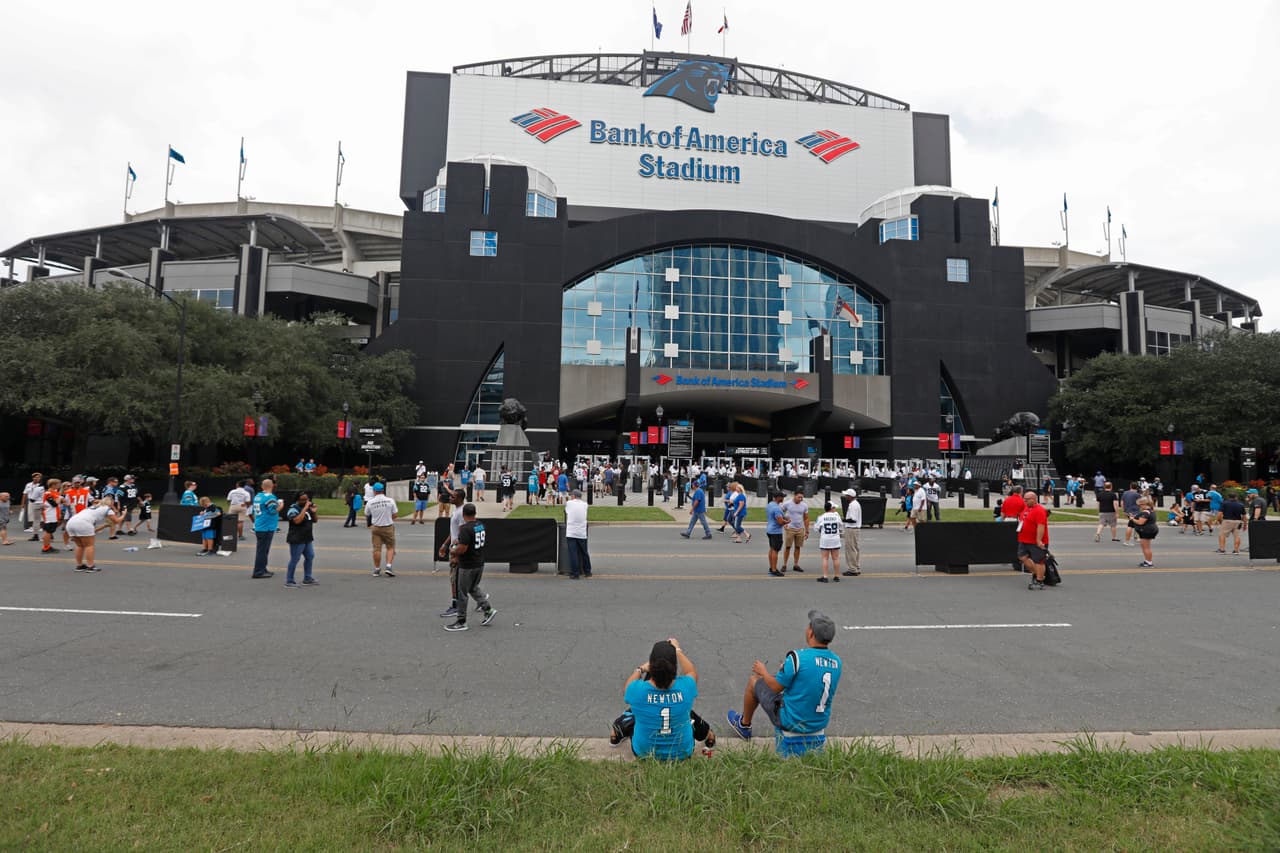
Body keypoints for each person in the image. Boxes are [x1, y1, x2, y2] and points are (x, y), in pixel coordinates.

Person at [726, 610, 842, 756]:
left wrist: (763, 672)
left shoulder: (797, 657)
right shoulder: (837, 662)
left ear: (811, 633)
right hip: (818, 723)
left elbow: (775, 687)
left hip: (791, 721)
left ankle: (744, 725)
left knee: (754, 681)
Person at [610, 639, 714, 760]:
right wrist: (678, 651)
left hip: (644, 753)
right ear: (674, 667)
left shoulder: (636, 690)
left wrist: (640, 669)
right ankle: (709, 736)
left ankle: (615, 734)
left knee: (633, 711)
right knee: (687, 714)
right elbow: (690, 671)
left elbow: (627, 688)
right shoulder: (686, 686)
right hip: (682, 754)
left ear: (651, 664)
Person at [444, 503, 497, 631]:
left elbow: (462, 549)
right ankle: (488, 609)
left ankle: (461, 621)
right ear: (475, 513)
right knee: (473, 588)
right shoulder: (480, 525)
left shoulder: (465, 529)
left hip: (467, 565)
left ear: (463, 514)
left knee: (462, 592)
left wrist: (452, 550)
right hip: (479, 562)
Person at [66, 496, 125, 573]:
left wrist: (104, 525)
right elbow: (117, 521)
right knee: (89, 545)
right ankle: (90, 566)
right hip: (83, 523)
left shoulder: (92, 507)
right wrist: (124, 514)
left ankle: (79, 565)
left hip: (71, 522)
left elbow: (94, 529)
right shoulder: (107, 509)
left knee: (79, 546)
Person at [437, 489, 468, 618]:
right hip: (452, 546)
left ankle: (455, 606)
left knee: (454, 578)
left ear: (460, 498)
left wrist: (455, 553)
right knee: (460, 579)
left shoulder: (461, 512)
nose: (450, 498)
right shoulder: (457, 510)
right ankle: (480, 599)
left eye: (453, 496)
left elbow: (461, 534)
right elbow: (453, 532)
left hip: (456, 549)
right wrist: (445, 544)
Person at [285, 492, 319, 588]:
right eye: (303, 500)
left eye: (307, 499)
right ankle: (289, 581)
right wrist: (304, 508)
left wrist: (314, 511)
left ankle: (307, 578)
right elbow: (296, 521)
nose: (305, 501)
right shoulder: (293, 509)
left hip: (307, 538)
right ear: (298, 500)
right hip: (297, 538)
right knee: (295, 559)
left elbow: (315, 520)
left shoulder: (308, 508)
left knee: (310, 556)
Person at [251, 479, 283, 579]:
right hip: (267, 527)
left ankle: (263, 569)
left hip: (260, 525)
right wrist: (281, 505)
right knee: (262, 551)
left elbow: (254, 510)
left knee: (263, 551)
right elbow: (273, 510)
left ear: (262, 486)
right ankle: (258, 572)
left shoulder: (258, 496)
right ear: (272, 486)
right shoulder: (270, 497)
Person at [365, 481, 398, 577]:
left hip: (376, 527)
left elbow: (367, 514)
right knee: (390, 547)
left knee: (377, 549)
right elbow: (395, 514)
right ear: (383, 490)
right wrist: (388, 518)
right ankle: (388, 566)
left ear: (374, 491)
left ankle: (377, 569)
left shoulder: (370, 502)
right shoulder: (390, 500)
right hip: (388, 526)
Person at [1018, 490, 1051, 589]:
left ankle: (1039, 580)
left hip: (1035, 541)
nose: (1025, 501)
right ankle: (1037, 574)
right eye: (1024, 499)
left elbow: (1041, 526)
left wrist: (1039, 540)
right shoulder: (1027, 508)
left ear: (1034, 499)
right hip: (1024, 539)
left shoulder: (1039, 510)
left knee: (1039, 561)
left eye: (1027, 499)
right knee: (1022, 557)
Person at [564, 488, 592, 579]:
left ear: (573, 496)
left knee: (573, 553)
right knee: (584, 552)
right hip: (582, 532)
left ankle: (575, 574)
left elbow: (566, 512)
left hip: (571, 532)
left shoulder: (569, 503)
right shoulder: (585, 504)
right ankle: (587, 571)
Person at [813, 501, 844, 583]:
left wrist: (820, 529)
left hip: (825, 539)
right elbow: (841, 526)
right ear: (831, 508)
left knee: (825, 558)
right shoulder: (836, 516)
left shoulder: (821, 517)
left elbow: (816, 528)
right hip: (835, 539)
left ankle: (825, 576)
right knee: (836, 558)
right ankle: (837, 576)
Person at [781, 491, 809, 571]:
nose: (800, 499)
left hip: (800, 529)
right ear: (794, 496)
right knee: (788, 547)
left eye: (801, 497)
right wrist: (784, 523)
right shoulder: (787, 503)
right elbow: (780, 513)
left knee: (798, 547)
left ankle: (796, 564)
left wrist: (807, 530)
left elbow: (806, 518)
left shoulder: (804, 505)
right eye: (799, 497)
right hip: (790, 528)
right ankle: (784, 565)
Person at [1131, 495, 1158, 567]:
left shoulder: (1145, 512)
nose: (1139, 507)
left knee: (1146, 547)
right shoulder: (1151, 510)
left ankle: (1149, 562)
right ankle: (1147, 561)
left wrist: (1132, 519)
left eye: (1140, 505)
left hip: (1147, 530)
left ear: (1144, 504)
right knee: (1144, 546)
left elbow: (1140, 522)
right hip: (1149, 529)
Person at [765, 492, 787, 577]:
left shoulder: (770, 504)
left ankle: (771, 567)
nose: (783, 498)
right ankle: (774, 570)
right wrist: (787, 522)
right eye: (782, 497)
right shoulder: (777, 508)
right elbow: (780, 522)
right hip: (776, 531)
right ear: (778, 497)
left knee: (771, 549)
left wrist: (783, 518)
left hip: (769, 530)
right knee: (775, 550)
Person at [841, 488, 862, 577]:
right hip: (855, 529)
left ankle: (852, 569)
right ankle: (856, 567)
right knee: (855, 549)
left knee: (850, 550)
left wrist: (843, 520)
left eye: (846, 495)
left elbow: (853, 519)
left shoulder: (852, 505)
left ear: (850, 496)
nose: (845, 496)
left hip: (851, 529)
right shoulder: (856, 503)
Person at [21, 472, 44, 540]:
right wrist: (23, 503)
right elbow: (25, 494)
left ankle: (39, 527)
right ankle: (33, 527)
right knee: (30, 514)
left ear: (40, 478)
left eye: (38, 477)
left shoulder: (41, 485)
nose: (36, 478)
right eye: (35, 477)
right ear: (32, 478)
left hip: (39, 501)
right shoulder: (28, 485)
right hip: (30, 501)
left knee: (41, 516)